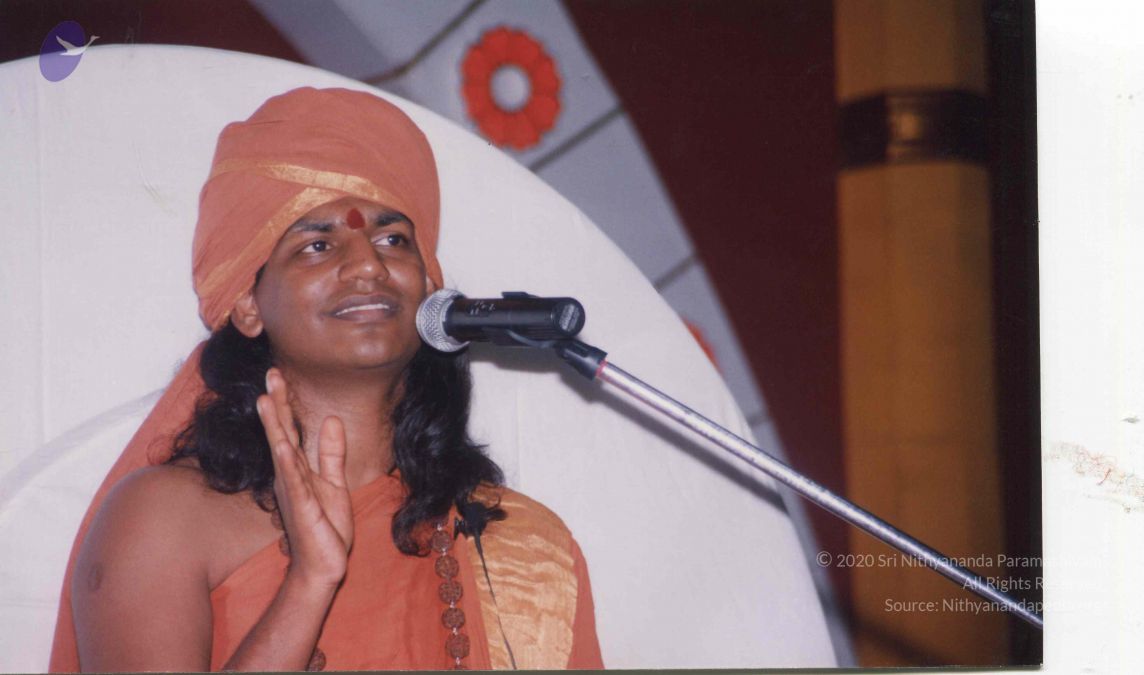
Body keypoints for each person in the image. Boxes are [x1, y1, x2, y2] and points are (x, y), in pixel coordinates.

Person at [47, 86, 603, 671]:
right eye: (316, 245)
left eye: (393, 240)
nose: (368, 265)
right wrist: (310, 581)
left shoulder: (521, 549)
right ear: (247, 305)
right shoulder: (160, 520)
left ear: (428, 289)